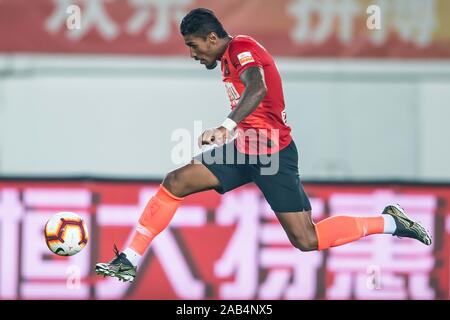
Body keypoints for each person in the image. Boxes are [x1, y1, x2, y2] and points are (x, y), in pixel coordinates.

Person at [95, 8, 432, 282]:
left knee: (306, 240)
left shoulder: (241, 49)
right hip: (245, 148)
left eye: (194, 45)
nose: (192, 53)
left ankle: (391, 223)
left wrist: (225, 127)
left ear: (212, 38)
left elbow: (256, 89)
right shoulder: (228, 57)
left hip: (272, 155)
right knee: (175, 182)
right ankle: (130, 257)